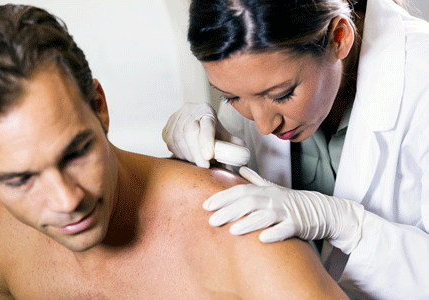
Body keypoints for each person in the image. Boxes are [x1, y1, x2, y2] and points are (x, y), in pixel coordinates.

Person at [0, 4, 349, 299]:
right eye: (20, 179)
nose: (66, 201)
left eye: (76, 154)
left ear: (99, 105)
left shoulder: (241, 238)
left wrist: (351, 225)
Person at [162, 0, 429, 298]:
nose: (263, 125)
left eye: (282, 94)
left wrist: (349, 226)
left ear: (339, 38)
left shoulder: (422, 81)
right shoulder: (259, 76)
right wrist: (199, 155)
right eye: (230, 97)